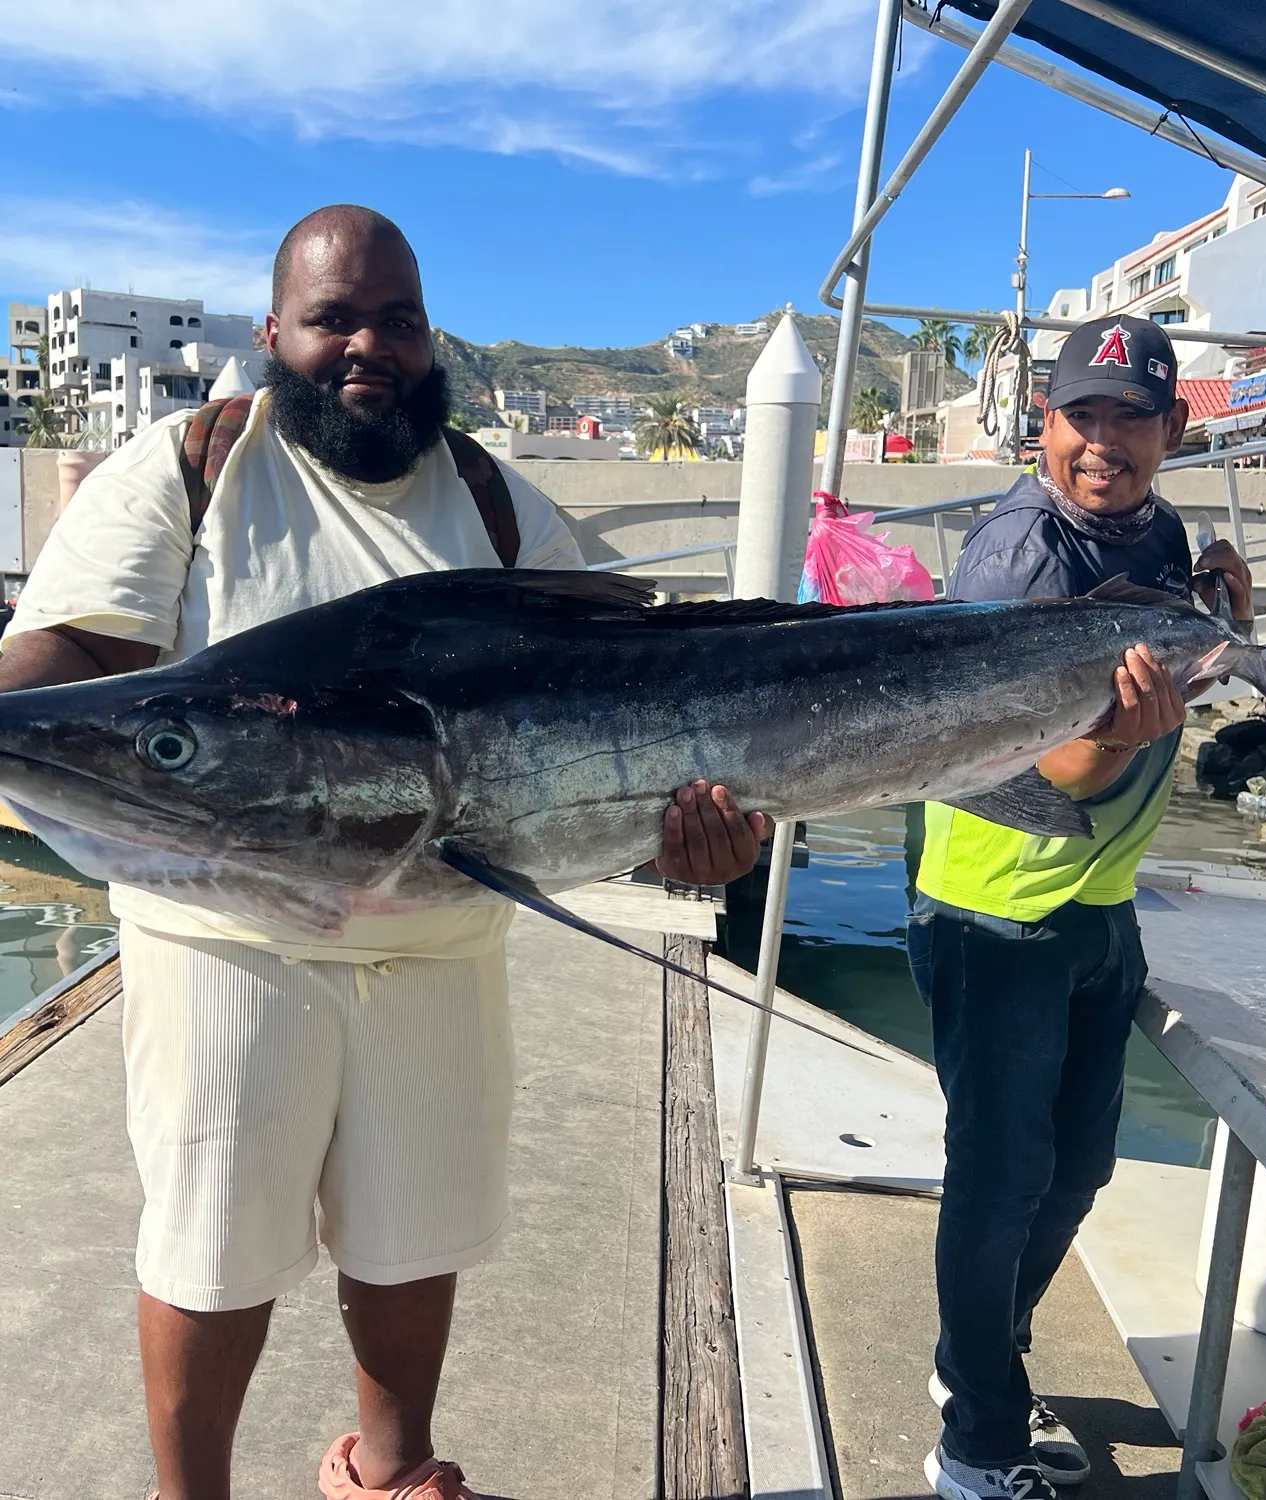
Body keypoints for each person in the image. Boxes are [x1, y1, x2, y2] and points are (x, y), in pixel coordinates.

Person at [0, 205, 769, 1500]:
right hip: (226, 937)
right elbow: (75, 655)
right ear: (272, 335)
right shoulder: (189, 467)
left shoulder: (499, 505)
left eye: (397, 321)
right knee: (210, 1253)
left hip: (440, 935)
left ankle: (393, 1472)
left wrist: (686, 843)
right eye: (334, 320)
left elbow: (627, 720)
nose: (371, 347)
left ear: (431, 336)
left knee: (413, 1237)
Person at [911, 315, 1253, 1500]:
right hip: (993, 905)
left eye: (1129, 417)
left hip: (1098, 900)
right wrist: (1113, 735)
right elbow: (1037, 768)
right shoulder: (1020, 558)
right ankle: (974, 1450)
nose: (1102, 444)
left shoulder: (1154, 531)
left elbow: (1183, 663)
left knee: (1076, 1173)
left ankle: (976, 1362)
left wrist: (1227, 619)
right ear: (1042, 423)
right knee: (999, 1179)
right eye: (1080, 416)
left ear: (1173, 426)